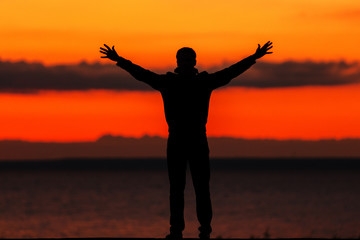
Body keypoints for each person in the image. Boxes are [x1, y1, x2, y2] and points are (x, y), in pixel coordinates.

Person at [100, 41, 273, 239]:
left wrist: (253, 57)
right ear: (178, 61)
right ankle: (178, 231)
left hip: (196, 140)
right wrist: (120, 60)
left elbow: (230, 72)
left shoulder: (200, 82)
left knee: (200, 187)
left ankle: (203, 231)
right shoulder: (172, 82)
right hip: (178, 141)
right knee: (178, 188)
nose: (186, 63)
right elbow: (142, 74)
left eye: (188, 59)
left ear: (193, 61)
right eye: (183, 59)